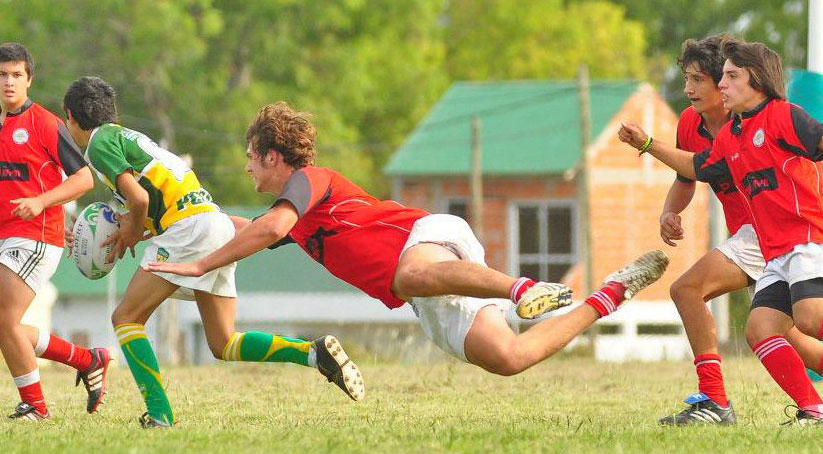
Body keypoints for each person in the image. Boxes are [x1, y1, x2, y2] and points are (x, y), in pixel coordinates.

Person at [146, 101, 670, 380]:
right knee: (507, 358)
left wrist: (200, 266)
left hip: (424, 238)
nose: (246, 167)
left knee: (411, 275)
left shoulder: (308, 181)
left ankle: (522, 288)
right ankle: (611, 294)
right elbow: (245, 228)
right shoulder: (295, 218)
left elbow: (268, 229)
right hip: (424, 289)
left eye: (250, 157)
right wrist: (172, 220)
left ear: (272, 156)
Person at [62, 77, 361, 429]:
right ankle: (312, 353)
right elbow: (154, 199)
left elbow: (139, 199)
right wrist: (131, 227)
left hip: (189, 229)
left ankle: (159, 414)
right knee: (223, 343)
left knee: (125, 318)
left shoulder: (99, 143)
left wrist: (129, 232)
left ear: (70, 117)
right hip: (211, 222)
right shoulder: (128, 137)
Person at [619, 39, 823, 426]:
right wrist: (652, 154)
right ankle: (817, 412)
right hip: (772, 247)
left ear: (754, 80)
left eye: (725, 77)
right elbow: (694, 169)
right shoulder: (724, 135)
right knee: (771, 333)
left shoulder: (779, 115)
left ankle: (716, 402)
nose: (701, 87)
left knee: (802, 317)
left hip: (799, 238)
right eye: (718, 77)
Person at [0, 43, 109, 421]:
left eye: (17, 75)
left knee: (5, 322)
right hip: (1, 236)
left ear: (29, 80)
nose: (9, 82)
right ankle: (87, 359)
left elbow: (84, 179)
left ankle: (35, 406)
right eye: (2, 74)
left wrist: (41, 201)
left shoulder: (45, 123)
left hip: (37, 234)